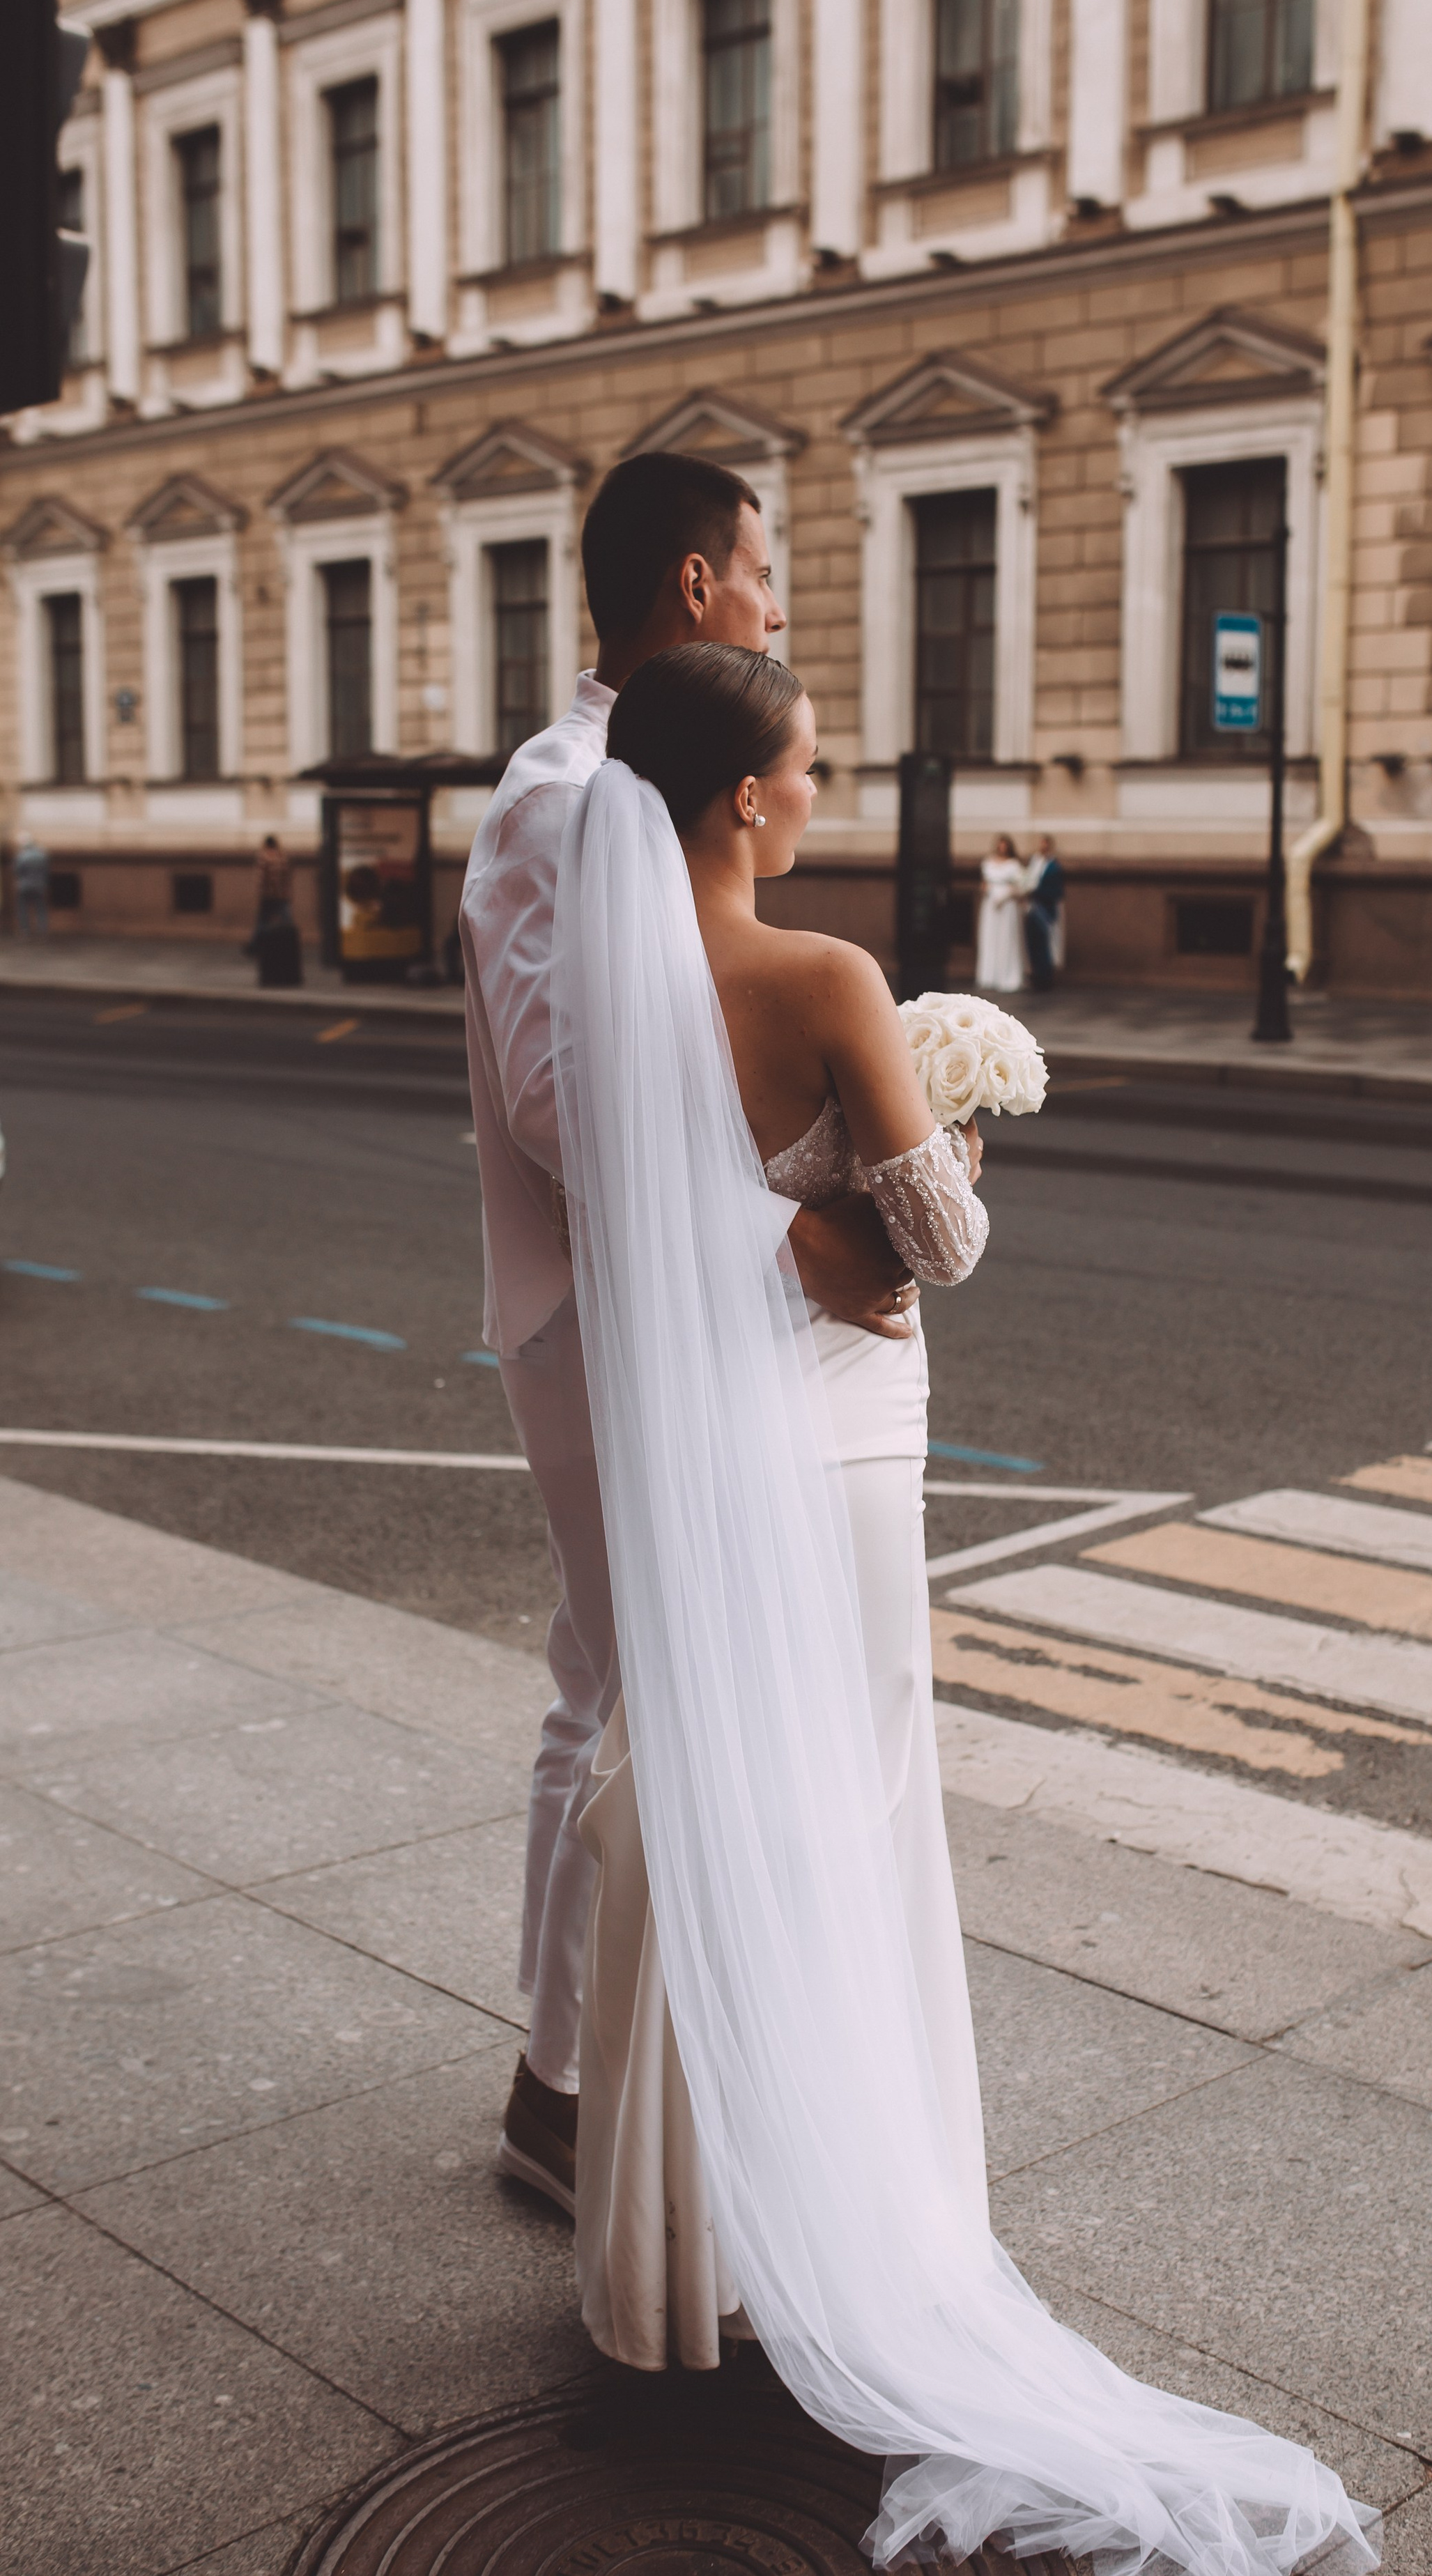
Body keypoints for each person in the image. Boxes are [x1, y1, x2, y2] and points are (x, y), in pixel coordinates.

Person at [548, 647, 1381, 2576]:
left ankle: (674, 2259)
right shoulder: (821, 976)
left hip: (700, 1455)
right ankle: (858, 2229)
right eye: (809, 766)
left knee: (707, 1808)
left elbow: (662, 1223)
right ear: (748, 795)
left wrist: (793, 1225)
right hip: (837, 1458)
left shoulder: (596, 982)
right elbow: (943, 1249)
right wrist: (928, 1142)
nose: (820, 790)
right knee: (855, 1814)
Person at [458, 452, 912, 2219]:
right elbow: (569, 1099)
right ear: (693, 583)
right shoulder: (557, 794)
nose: (779, 595)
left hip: (682, 1299)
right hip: (600, 1314)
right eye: (762, 566)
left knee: (633, 1681)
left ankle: (608, 2076)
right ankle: (564, 2088)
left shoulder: (631, 774)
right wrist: (795, 1212)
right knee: (624, 1691)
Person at [247, 833, 302, 987]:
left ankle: (255, 946)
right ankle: (289, 946)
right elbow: (289, 874)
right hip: (282, 895)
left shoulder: (263, 857)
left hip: (268, 896)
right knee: (286, 921)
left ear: (266, 844)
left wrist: (259, 893)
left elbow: (261, 877)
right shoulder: (283, 856)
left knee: (262, 922)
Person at [973, 832, 1026, 990]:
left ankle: (1008, 976)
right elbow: (984, 883)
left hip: (1007, 906)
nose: (1002, 847)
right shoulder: (988, 862)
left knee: (1006, 938)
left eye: (1005, 844)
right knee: (990, 937)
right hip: (990, 905)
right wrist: (987, 890)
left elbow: (1021, 885)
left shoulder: (1014, 865)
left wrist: (1007, 894)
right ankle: (989, 975)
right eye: (1000, 844)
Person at [1022, 832, 1065, 990]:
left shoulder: (1054, 867)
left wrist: (1036, 892)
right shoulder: (1035, 863)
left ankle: (1044, 978)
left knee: (1045, 946)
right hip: (1032, 909)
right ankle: (1035, 975)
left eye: (1045, 845)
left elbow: (1057, 893)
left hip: (1045, 910)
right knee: (1033, 943)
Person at [13, 833, 49, 939]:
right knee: (40, 908)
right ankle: (42, 930)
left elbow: (17, 871)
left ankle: (25, 931)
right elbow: (46, 871)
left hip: (24, 886)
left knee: (23, 908)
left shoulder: (21, 856)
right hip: (40, 886)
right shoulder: (42, 855)